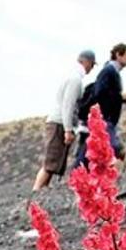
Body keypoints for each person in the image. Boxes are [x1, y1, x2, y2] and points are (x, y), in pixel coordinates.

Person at [33, 49, 96, 191]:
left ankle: (40, 192)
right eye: (91, 65)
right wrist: (68, 129)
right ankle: (36, 192)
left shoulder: (71, 76)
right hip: (59, 123)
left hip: (59, 122)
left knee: (53, 163)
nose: (91, 68)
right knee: (50, 163)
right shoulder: (75, 79)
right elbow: (68, 105)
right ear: (86, 62)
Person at [75, 43, 126, 167]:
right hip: (104, 117)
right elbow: (99, 92)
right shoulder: (109, 71)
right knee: (113, 146)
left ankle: (78, 174)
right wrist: (119, 97)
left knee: (88, 150)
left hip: (104, 117)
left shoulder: (112, 71)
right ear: (118, 55)